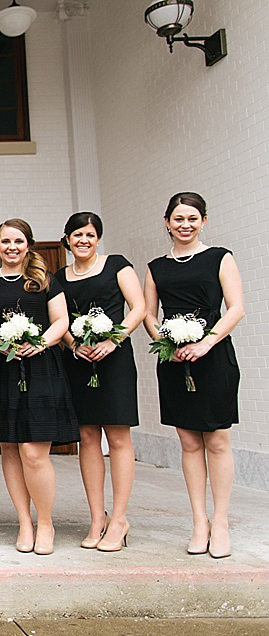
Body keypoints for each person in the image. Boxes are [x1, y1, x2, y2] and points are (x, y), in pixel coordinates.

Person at [144, 192, 243, 559]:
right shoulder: (156, 267)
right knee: (188, 442)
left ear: (203, 220)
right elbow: (150, 314)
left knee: (216, 440)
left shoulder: (220, 257)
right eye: (178, 219)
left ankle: (220, 522)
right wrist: (165, 342)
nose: (184, 225)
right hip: (173, 360)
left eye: (192, 218)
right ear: (167, 222)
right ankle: (199, 521)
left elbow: (235, 309)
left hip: (213, 358)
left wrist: (206, 343)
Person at [0, 218, 78, 555]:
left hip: (41, 369)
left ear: (28, 245)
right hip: (1, 370)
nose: (12, 247)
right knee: (9, 448)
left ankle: (45, 522)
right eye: (5, 241)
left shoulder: (44, 281)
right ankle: (23, 522)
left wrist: (42, 342)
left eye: (18, 241)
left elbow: (61, 321)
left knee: (34, 453)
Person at [55, 212, 145, 552]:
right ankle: (97, 517)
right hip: (78, 361)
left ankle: (119, 519)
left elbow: (138, 307)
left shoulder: (117, 265)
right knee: (87, 437)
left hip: (114, 359)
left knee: (118, 437)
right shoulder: (59, 277)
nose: (84, 240)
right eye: (77, 234)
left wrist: (114, 340)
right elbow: (59, 319)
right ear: (67, 239)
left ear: (98, 238)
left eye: (90, 234)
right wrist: (74, 345)